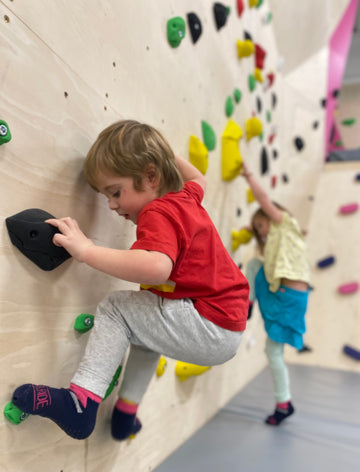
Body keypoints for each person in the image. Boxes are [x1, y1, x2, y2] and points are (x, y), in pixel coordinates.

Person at [11, 120, 249, 440]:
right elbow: (198, 177)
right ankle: (125, 412)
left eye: (115, 192)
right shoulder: (186, 197)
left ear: (150, 177)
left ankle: (80, 403)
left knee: (116, 308)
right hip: (225, 325)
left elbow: (156, 267)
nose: (111, 205)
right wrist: (160, 150)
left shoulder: (158, 211)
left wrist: (87, 250)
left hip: (208, 322)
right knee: (144, 331)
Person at [242, 163, 311, 426]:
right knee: (273, 352)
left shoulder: (285, 225)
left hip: (286, 297)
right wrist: (251, 230)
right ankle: (283, 402)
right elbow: (263, 251)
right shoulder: (275, 243)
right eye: (258, 228)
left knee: (273, 353)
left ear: (274, 216)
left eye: (262, 224)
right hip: (285, 294)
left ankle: (284, 403)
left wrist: (249, 176)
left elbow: (263, 199)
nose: (261, 231)